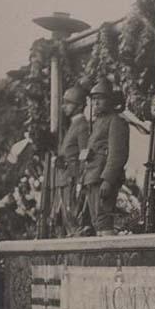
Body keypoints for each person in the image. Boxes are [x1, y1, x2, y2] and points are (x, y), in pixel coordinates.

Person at [81, 78, 130, 236]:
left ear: (110, 100)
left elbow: (117, 153)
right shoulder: (98, 123)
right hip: (92, 177)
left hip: (102, 178)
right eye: (94, 99)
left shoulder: (115, 121)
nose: (96, 103)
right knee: (97, 221)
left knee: (103, 220)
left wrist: (108, 179)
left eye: (100, 99)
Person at [51, 85, 90, 236]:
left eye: (69, 103)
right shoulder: (74, 125)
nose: (64, 106)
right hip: (64, 179)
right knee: (64, 222)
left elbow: (84, 155)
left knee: (74, 222)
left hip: (72, 180)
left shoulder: (82, 126)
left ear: (79, 105)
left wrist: (80, 182)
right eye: (64, 102)